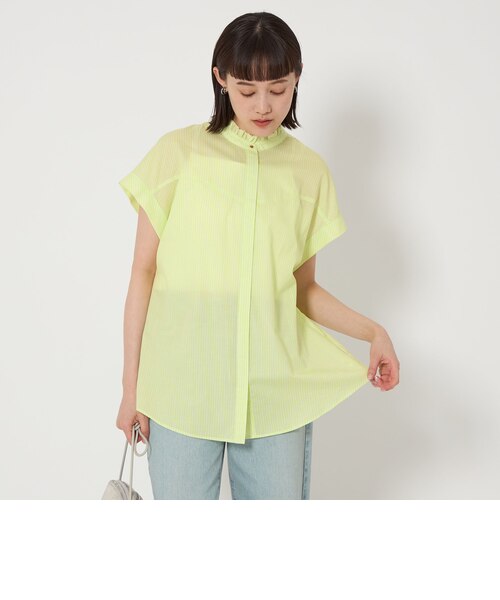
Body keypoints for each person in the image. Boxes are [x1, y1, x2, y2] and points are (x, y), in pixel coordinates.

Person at [115, 11, 400, 500]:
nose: (264, 105)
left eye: (278, 88)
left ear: (297, 79)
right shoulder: (178, 154)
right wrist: (130, 390)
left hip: (275, 396)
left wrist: (374, 332)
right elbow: (143, 273)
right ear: (221, 78)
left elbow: (300, 291)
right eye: (247, 90)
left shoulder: (308, 173)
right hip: (182, 389)